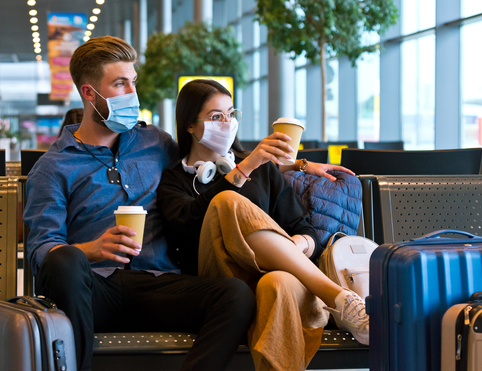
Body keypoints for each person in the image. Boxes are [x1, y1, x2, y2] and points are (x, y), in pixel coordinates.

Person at [24, 37, 256, 371]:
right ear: (89, 93)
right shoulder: (53, 167)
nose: (132, 93)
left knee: (235, 296)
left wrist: (301, 165)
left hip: (157, 283)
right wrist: (91, 249)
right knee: (65, 261)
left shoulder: (155, 143)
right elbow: (40, 250)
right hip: (93, 290)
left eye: (133, 82)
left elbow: (210, 161)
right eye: (120, 84)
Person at [157, 79, 369, 371]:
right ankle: (335, 295)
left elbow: (305, 229)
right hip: (220, 280)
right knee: (226, 202)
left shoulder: (264, 169)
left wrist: (294, 246)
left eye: (231, 114)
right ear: (190, 126)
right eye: (216, 117)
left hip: (281, 276)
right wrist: (245, 167)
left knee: (276, 283)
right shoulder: (174, 179)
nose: (227, 123)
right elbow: (186, 224)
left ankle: (341, 301)